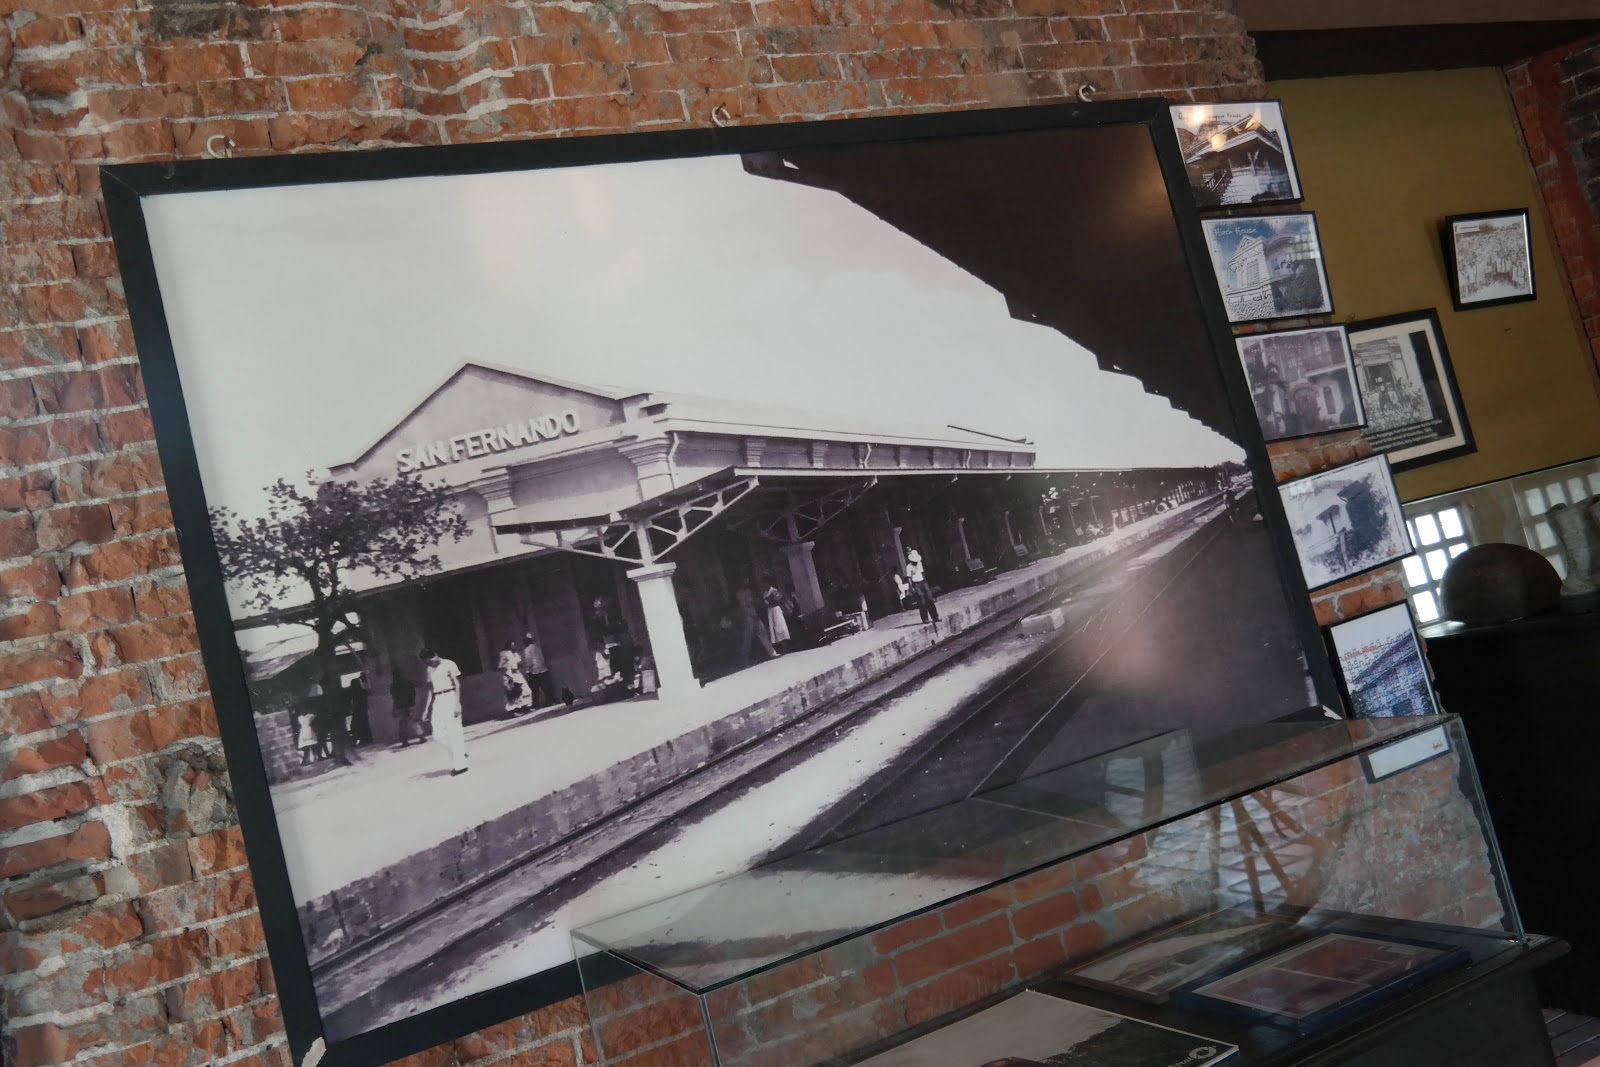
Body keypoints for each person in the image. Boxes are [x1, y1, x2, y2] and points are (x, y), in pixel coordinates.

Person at [419, 647, 468, 776]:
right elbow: (430, 691)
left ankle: (461, 766)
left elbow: (457, 685)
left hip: (450, 697)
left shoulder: (449, 664)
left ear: (436, 654)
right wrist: (426, 709)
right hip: (438, 700)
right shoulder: (429, 670)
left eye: (432, 661)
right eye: (428, 662)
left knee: (454, 732)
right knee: (438, 734)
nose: (431, 664)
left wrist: (457, 703)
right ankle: (460, 753)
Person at [734, 584, 775, 665]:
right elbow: (743, 605)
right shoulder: (740, 593)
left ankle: (771, 652)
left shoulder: (748, 590)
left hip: (753, 613)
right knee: (748, 638)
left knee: (762, 632)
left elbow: (751, 602)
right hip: (747, 615)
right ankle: (745, 659)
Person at [519, 631, 555, 708]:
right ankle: (550, 701)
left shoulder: (527, 650)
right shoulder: (537, 648)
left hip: (534, 671)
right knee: (546, 687)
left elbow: (529, 662)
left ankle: (536, 705)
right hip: (543, 669)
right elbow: (542, 659)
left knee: (534, 689)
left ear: (527, 641)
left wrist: (527, 670)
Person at [499, 639, 533, 717]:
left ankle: (526, 708)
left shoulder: (515, 654)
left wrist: (526, 666)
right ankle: (513, 712)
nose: (514, 646)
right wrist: (509, 677)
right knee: (513, 694)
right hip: (509, 675)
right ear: (509, 646)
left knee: (525, 690)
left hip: (517, 674)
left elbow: (519, 664)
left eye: (514, 645)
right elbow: (502, 667)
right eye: (513, 645)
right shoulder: (505, 654)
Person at [905, 548, 939, 624]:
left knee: (930, 599)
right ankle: (925, 619)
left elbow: (922, 573)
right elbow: (909, 577)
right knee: (922, 602)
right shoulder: (909, 567)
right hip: (916, 584)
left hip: (923, 582)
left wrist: (925, 583)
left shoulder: (919, 563)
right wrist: (912, 587)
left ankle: (935, 617)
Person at [390, 669, 422, 747]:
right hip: (409, 704)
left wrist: (394, 707)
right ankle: (421, 736)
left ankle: (404, 741)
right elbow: (413, 693)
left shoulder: (393, 685)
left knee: (403, 725)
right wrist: (412, 702)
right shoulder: (407, 682)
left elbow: (394, 697)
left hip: (400, 706)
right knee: (414, 722)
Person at [762, 579, 791, 653]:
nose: (765, 584)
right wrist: (767, 602)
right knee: (774, 628)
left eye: (766, 583)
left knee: (779, 626)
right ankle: (780, 647)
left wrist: (771, 600)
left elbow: (779, 598)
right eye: (764, 583)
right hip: (770, 610)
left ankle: (786, 646)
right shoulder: (765, 592)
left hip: (775, 609)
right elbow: (765, 602)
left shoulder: (773, 590)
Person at [346, 674, 372, 746]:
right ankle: (367, 739)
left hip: (358, 711)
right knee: (364, 725)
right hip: (363, 710)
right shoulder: (362, 690)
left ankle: (362, 740)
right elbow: (369, 693)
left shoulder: (354, 692)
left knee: (356, 726)